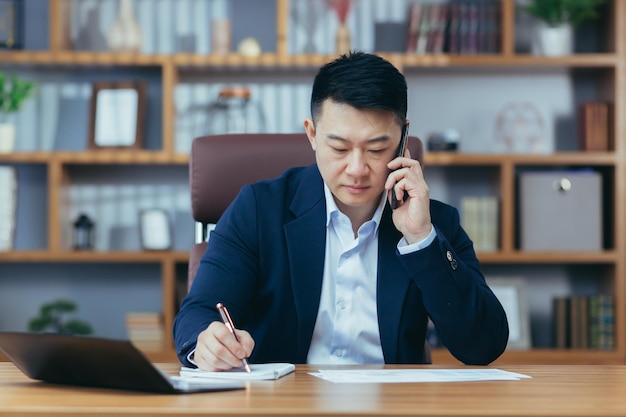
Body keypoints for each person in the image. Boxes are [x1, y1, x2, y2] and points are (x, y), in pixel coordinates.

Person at [174, 51, 509, 371]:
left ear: (404, 137)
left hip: (394, 406)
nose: (357, 169)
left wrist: (421, 239)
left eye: (376, 149)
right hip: (286, 404)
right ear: (312, 134)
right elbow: (198, 313)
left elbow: (483, 345)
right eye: (339, 148)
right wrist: (208, 341)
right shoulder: (259, 210)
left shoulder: (434, 222)